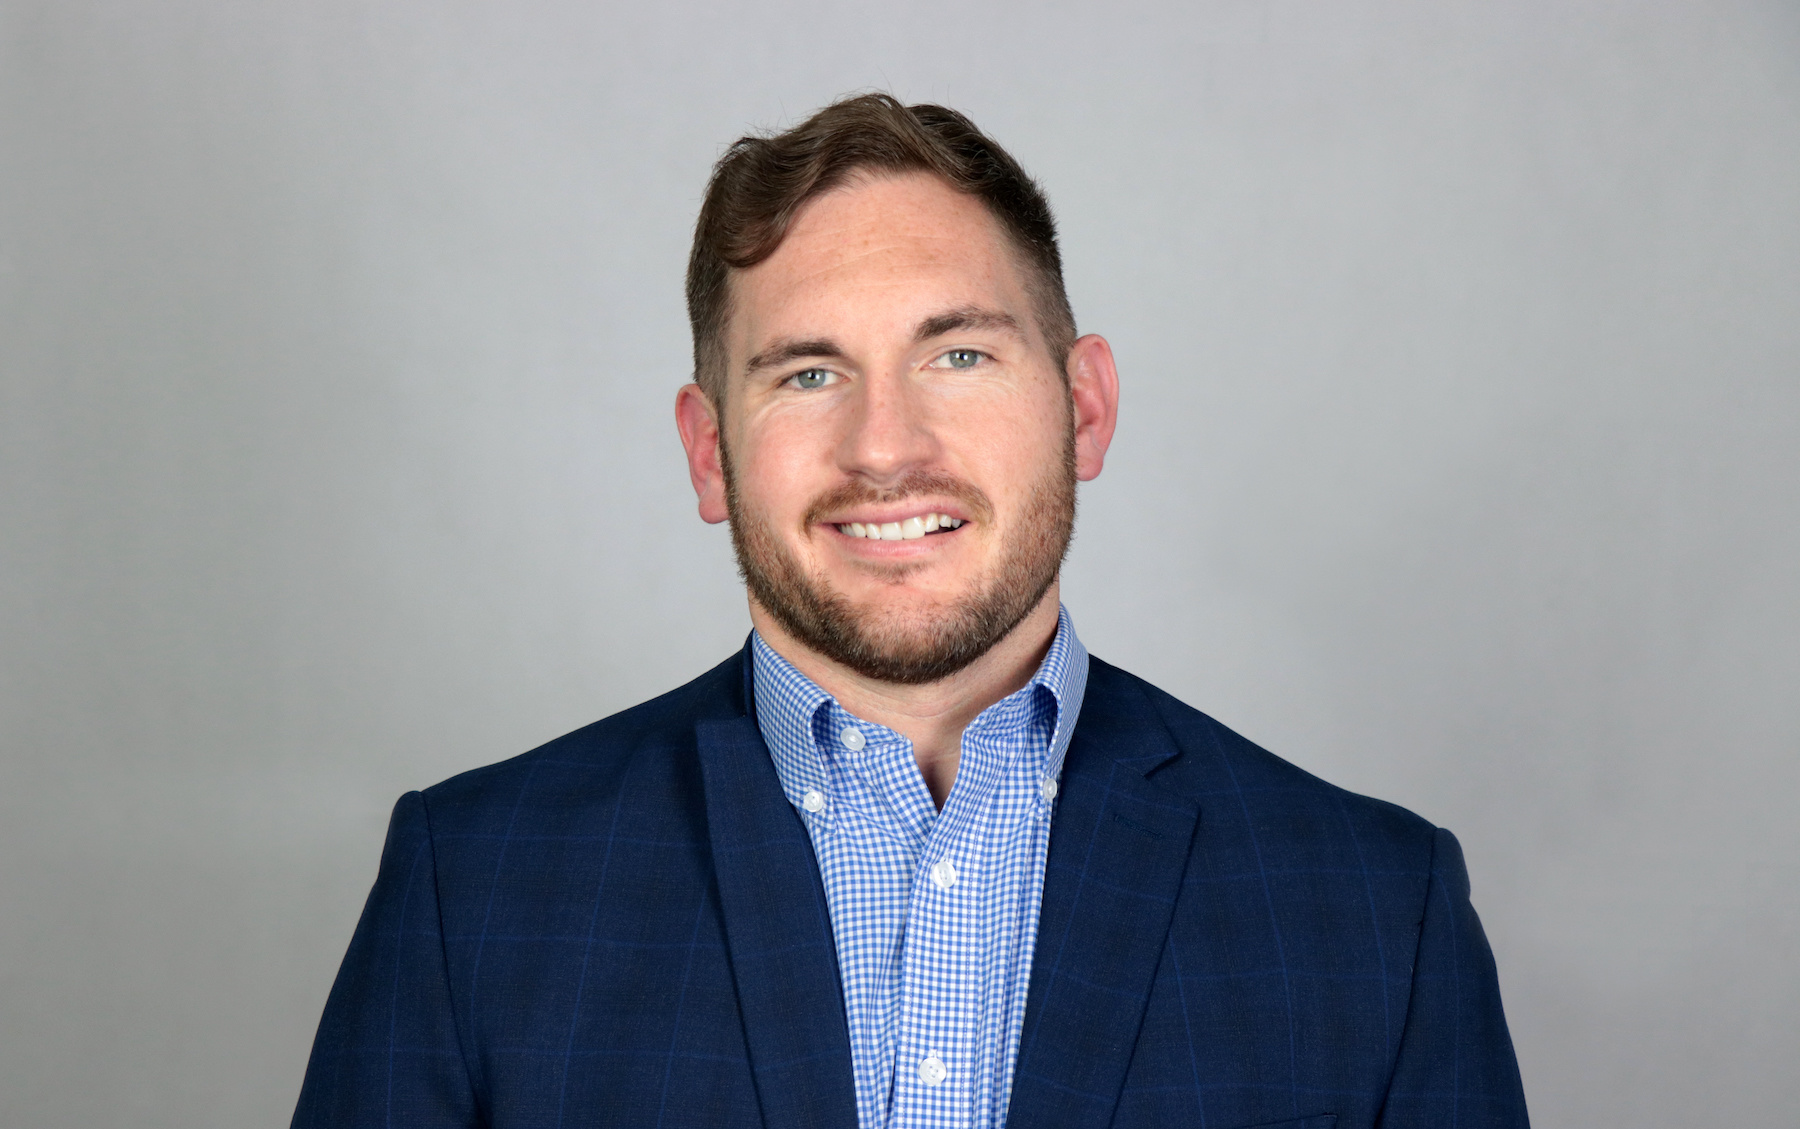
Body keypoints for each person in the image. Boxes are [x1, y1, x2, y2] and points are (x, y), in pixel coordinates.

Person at [292, 94, 1529, 1129]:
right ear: (710, 453)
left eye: (959, 356)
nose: (885, 446)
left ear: (1084, 408)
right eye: (808, 372)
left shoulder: (1376, 913)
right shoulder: (478, 891)